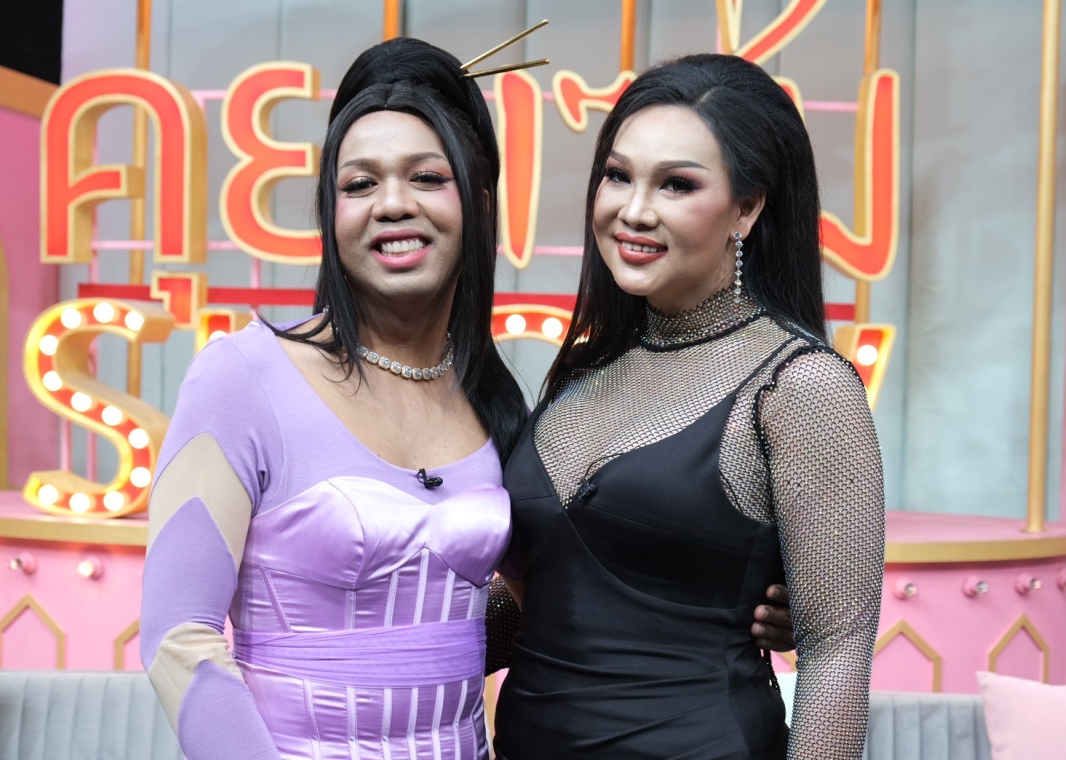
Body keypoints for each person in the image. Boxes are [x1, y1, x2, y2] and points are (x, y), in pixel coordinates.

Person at [140, 35, 796, 760]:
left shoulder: (493, 401)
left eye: (427, 177)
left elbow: (542, 606)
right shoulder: (243, 377)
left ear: (479, 202)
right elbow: (178, 640)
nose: (393, 204)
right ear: (330, 212)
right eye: (359, 185)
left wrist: (726, 604)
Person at [492, 53, 885, 759]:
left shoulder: (801, 386)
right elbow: (541, 600)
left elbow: (836, 655)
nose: (633, 211)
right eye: (618, 175)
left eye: (677, 184)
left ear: (748, 207)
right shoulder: (584, 369)